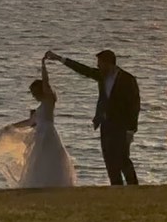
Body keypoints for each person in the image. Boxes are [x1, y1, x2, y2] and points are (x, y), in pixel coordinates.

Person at [45, 49, 140, 185]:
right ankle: (116, 186)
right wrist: (59, 58)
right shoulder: (101, 76)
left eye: (100, 64)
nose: (98, 67)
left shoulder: (127, 79)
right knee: (109, 158)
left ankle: (133, 185)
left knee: (122, 158)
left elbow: (134, 105)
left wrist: (131, 130)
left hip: (121, 125)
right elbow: (83, 70)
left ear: (109, 64)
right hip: (105, 123)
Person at [0, 55, 76, 188]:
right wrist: (12, 126)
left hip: (48, 135)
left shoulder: (49, 101)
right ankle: (40, 184)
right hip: (39, 136)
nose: (33, 95)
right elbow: (30, 122)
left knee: (50, 159)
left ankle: (53, 183)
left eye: (34, 92)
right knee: (38, 161)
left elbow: (46, 82)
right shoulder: (40, 108)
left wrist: (43, 65)